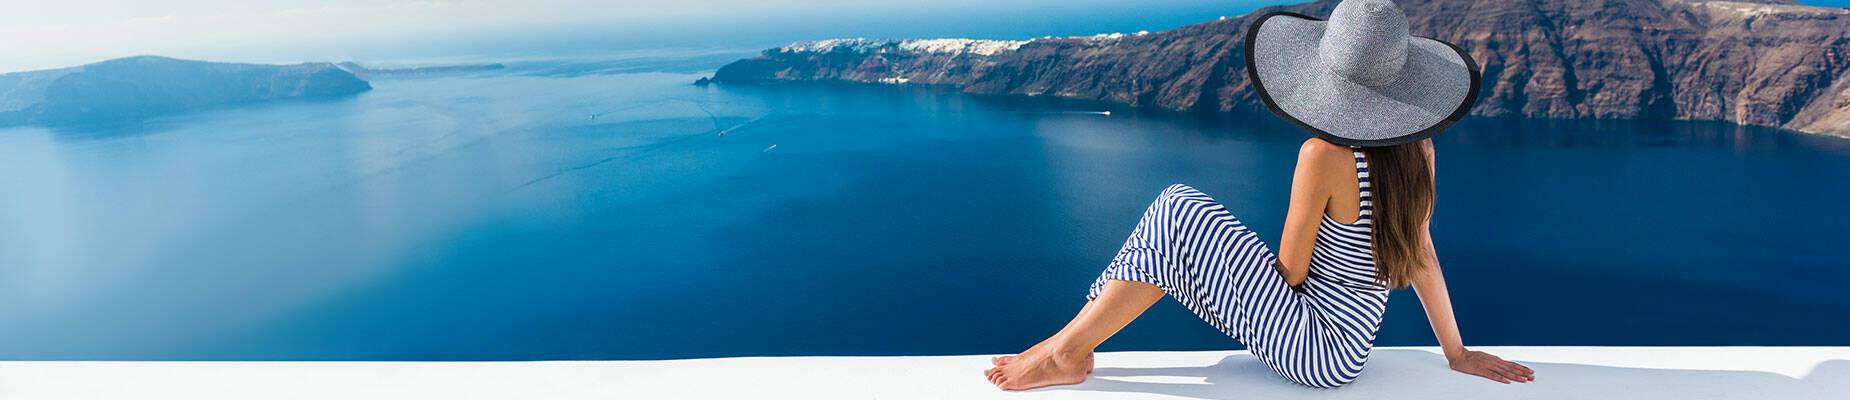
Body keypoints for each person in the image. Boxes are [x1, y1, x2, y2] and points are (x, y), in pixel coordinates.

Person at [984, 0, 1534, 390]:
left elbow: (1291, 273)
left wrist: (1208, 265)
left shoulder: (1323, 156)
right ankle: (1066, 344)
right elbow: (1422, 252)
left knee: (1176, 213)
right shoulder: (1420, 151)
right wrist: (1456, 352)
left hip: (1313, 348)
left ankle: (1066, 351)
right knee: (1175, 221)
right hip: (1352, 349)